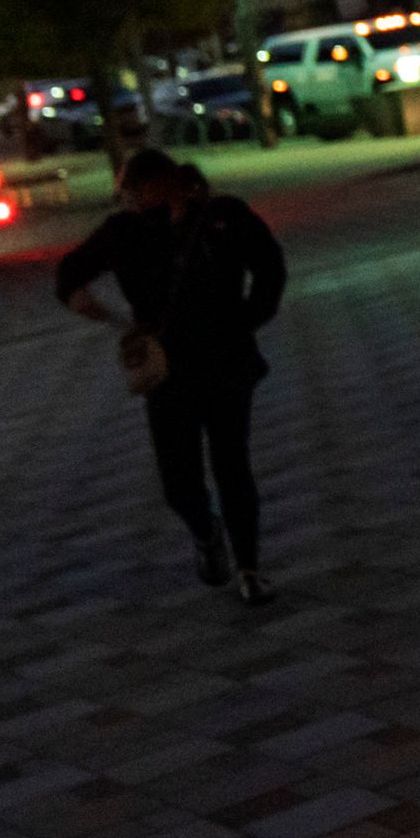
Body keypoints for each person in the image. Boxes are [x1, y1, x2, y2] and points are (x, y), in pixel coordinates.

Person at [56, 147, 287, 604]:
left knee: (232, 465)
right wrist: (95, 308)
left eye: (133, 190)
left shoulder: (223, 217)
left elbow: (270, 267)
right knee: (178, 481)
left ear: (161, 182)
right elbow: (71, 272)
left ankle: (249, 569)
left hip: (226, 361)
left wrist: (246, 319)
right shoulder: (125, 232)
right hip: (167, 369)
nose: (128, 200)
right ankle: (206, 531)